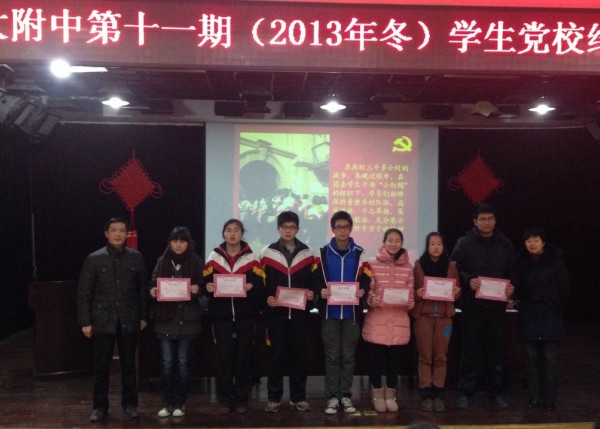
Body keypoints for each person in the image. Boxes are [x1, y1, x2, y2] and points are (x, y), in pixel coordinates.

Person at [77, 217, 148, 422]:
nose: (118, 234)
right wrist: (85, 322)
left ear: (127, 234)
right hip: (102, 319)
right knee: (101, 367)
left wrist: (143, 316)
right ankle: (100, 407)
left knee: (129, 366)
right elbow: (84, 293)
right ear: (106, 233)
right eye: (114, 230)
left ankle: (130, 405)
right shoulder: (94, 259)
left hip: (129, 318)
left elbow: (142, 290)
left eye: (122, 230)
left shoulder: (136, 258)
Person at [450, 203, 516, 409]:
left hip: (496, 305)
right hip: (473, 304)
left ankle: (494, 392)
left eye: (490, 219)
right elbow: (454, 267)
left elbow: (513, 270)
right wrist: (468, 280)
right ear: (475, 221)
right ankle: (465, 391)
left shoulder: (505, 244)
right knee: (470, 348)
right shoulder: (464, 243)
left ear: (495, 221)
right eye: (482, 219)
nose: (486, 223)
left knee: (495, 349)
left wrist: (512, 286)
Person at [202, 219, 265, 415]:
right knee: (224, 359)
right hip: (221, 317)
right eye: (228, 230)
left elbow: (262, 284)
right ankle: (225, 400)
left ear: (242, 233)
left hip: (246, 316)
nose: (232, 234)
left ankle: (241, 400)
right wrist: (207, 287)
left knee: (243, 358)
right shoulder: (214, 256)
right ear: (223, 234)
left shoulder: (252, 257)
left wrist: (252, 286)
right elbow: (204, 282)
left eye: (236, 230)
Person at [312, 210, 372, 415]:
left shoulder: (360, 253)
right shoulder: (322, 253)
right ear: (332, 229)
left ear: (351, 228)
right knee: (331, 356)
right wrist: (320, 290)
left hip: (351, 314)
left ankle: (345, 395)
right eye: (338, 227)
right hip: (329, 313)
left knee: (348, 356)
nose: (342, 231)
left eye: (345, 227)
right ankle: (332, 397)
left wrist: (363, 291)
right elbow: (315, 279)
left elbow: (367, 279)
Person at [261, 211, 315, 413]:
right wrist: (267, 297)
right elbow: (261, 282)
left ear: (297, 229)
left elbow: (314, 281)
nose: (288, 231)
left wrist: (312, 294)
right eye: (284, 227)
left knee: (299, 357)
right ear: (278, 229)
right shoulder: (267, 253)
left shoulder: (308, 253)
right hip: (276, 315)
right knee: (275, 357)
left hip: (300, 315)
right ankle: (274, 398)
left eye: (292, 227)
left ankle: (298, 397)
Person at [149, 227, 204, 418]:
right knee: (167, 363)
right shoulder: (162, 261)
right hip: (166, 320)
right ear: (170, 242)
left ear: (188, 243)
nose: (178, 244)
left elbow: (204, 288)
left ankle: (181, 402)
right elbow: (153, 284)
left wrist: (198, 289)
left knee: (183, 363)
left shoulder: (196, 261)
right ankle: (168, 402)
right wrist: (153, 291)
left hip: (188, 320)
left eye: (182, 241)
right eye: (175, 241)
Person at [513, 227, 569, 410]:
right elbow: (516, 287)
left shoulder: (555, 261)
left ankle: (549, 399)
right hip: (528, 315)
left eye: (536, 240)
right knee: (531, 358)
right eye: (528, 240)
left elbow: (564, 288)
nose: (532, 244)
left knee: (549, 358)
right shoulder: (520, 262)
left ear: (543, 242)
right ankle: (534, 397)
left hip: (550, 315)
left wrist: (555, 307)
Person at [362, 228, 415, 413]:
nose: (393, 244)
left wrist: (411, 302)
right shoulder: (372, 264)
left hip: (398, 320)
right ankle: (377, 394)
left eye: (397, 241)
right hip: (378, 319)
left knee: (394, 360)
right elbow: (369, 290)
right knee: (376, 359)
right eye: (390, 240)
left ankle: (391, 395)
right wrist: (372, 299)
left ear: (402, 243)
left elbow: (410, 291)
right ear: (384, 242)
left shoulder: (408, 267)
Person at [413, 232, 460, 412]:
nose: (436, 247)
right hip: (423, 317)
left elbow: (457, 294)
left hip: (444, 318)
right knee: (425, 356)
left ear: (443, 246)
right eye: (432, 244)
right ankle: (426, 392)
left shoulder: (451, 266)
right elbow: (411, 291)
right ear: (427, 246)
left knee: (441, 356)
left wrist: (456, 292)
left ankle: (438, 392)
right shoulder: (418, 266)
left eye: (439, 244)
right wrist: (417, 293)